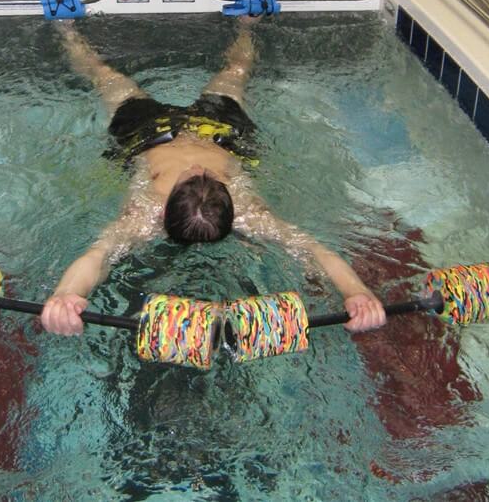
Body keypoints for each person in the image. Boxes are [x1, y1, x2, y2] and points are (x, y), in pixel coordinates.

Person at [41, 20, 386, 337]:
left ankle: (66, 29)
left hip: (147, 133)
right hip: (221, 131)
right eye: (210, 176)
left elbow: (97, 258)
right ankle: (247, 24)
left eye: (192, 178)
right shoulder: (251, 212)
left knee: (103, 75)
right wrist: (357, 292)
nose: (198, 168)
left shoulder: (142, 216)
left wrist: (66, 295)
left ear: (164, 208)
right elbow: (315, 249)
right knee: (237, 70)